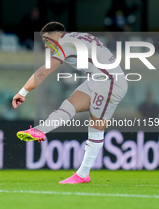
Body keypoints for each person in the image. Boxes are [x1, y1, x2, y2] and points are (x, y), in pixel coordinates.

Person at [12, 21, 128, 184]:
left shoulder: (65, 44)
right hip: (98, 79)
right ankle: (40, 130)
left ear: (56, 34)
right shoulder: (78, 37)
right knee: (69, 105)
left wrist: (22, 92)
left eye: (46, 41)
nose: (46, 46)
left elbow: (43, 72)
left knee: (95, 129)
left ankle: (82, 174)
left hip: (110, 82)